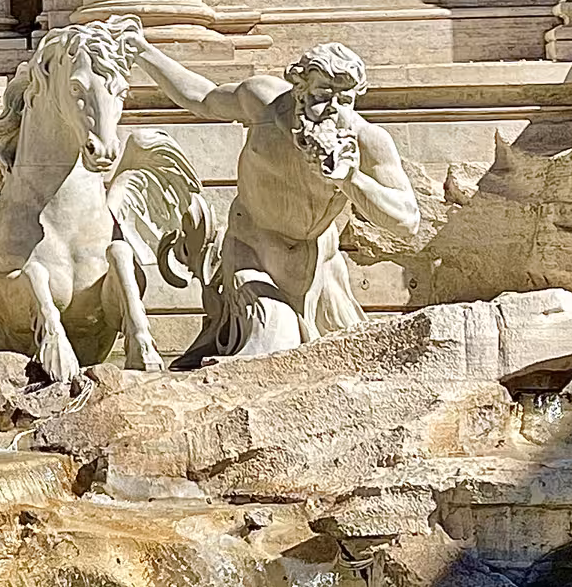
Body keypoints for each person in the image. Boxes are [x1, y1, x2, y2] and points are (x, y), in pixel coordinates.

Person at [134, 40, 420, 360]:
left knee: (352, 360)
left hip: (317, 263)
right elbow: (202, 98)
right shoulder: (262, 102)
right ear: (299, 90)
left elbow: (407, 220)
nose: (334, 110)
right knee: (274, 346)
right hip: (253, 249)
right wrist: (143, 52)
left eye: (346, 100)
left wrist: (349, 178)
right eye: (322, 96)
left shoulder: (367, 141)